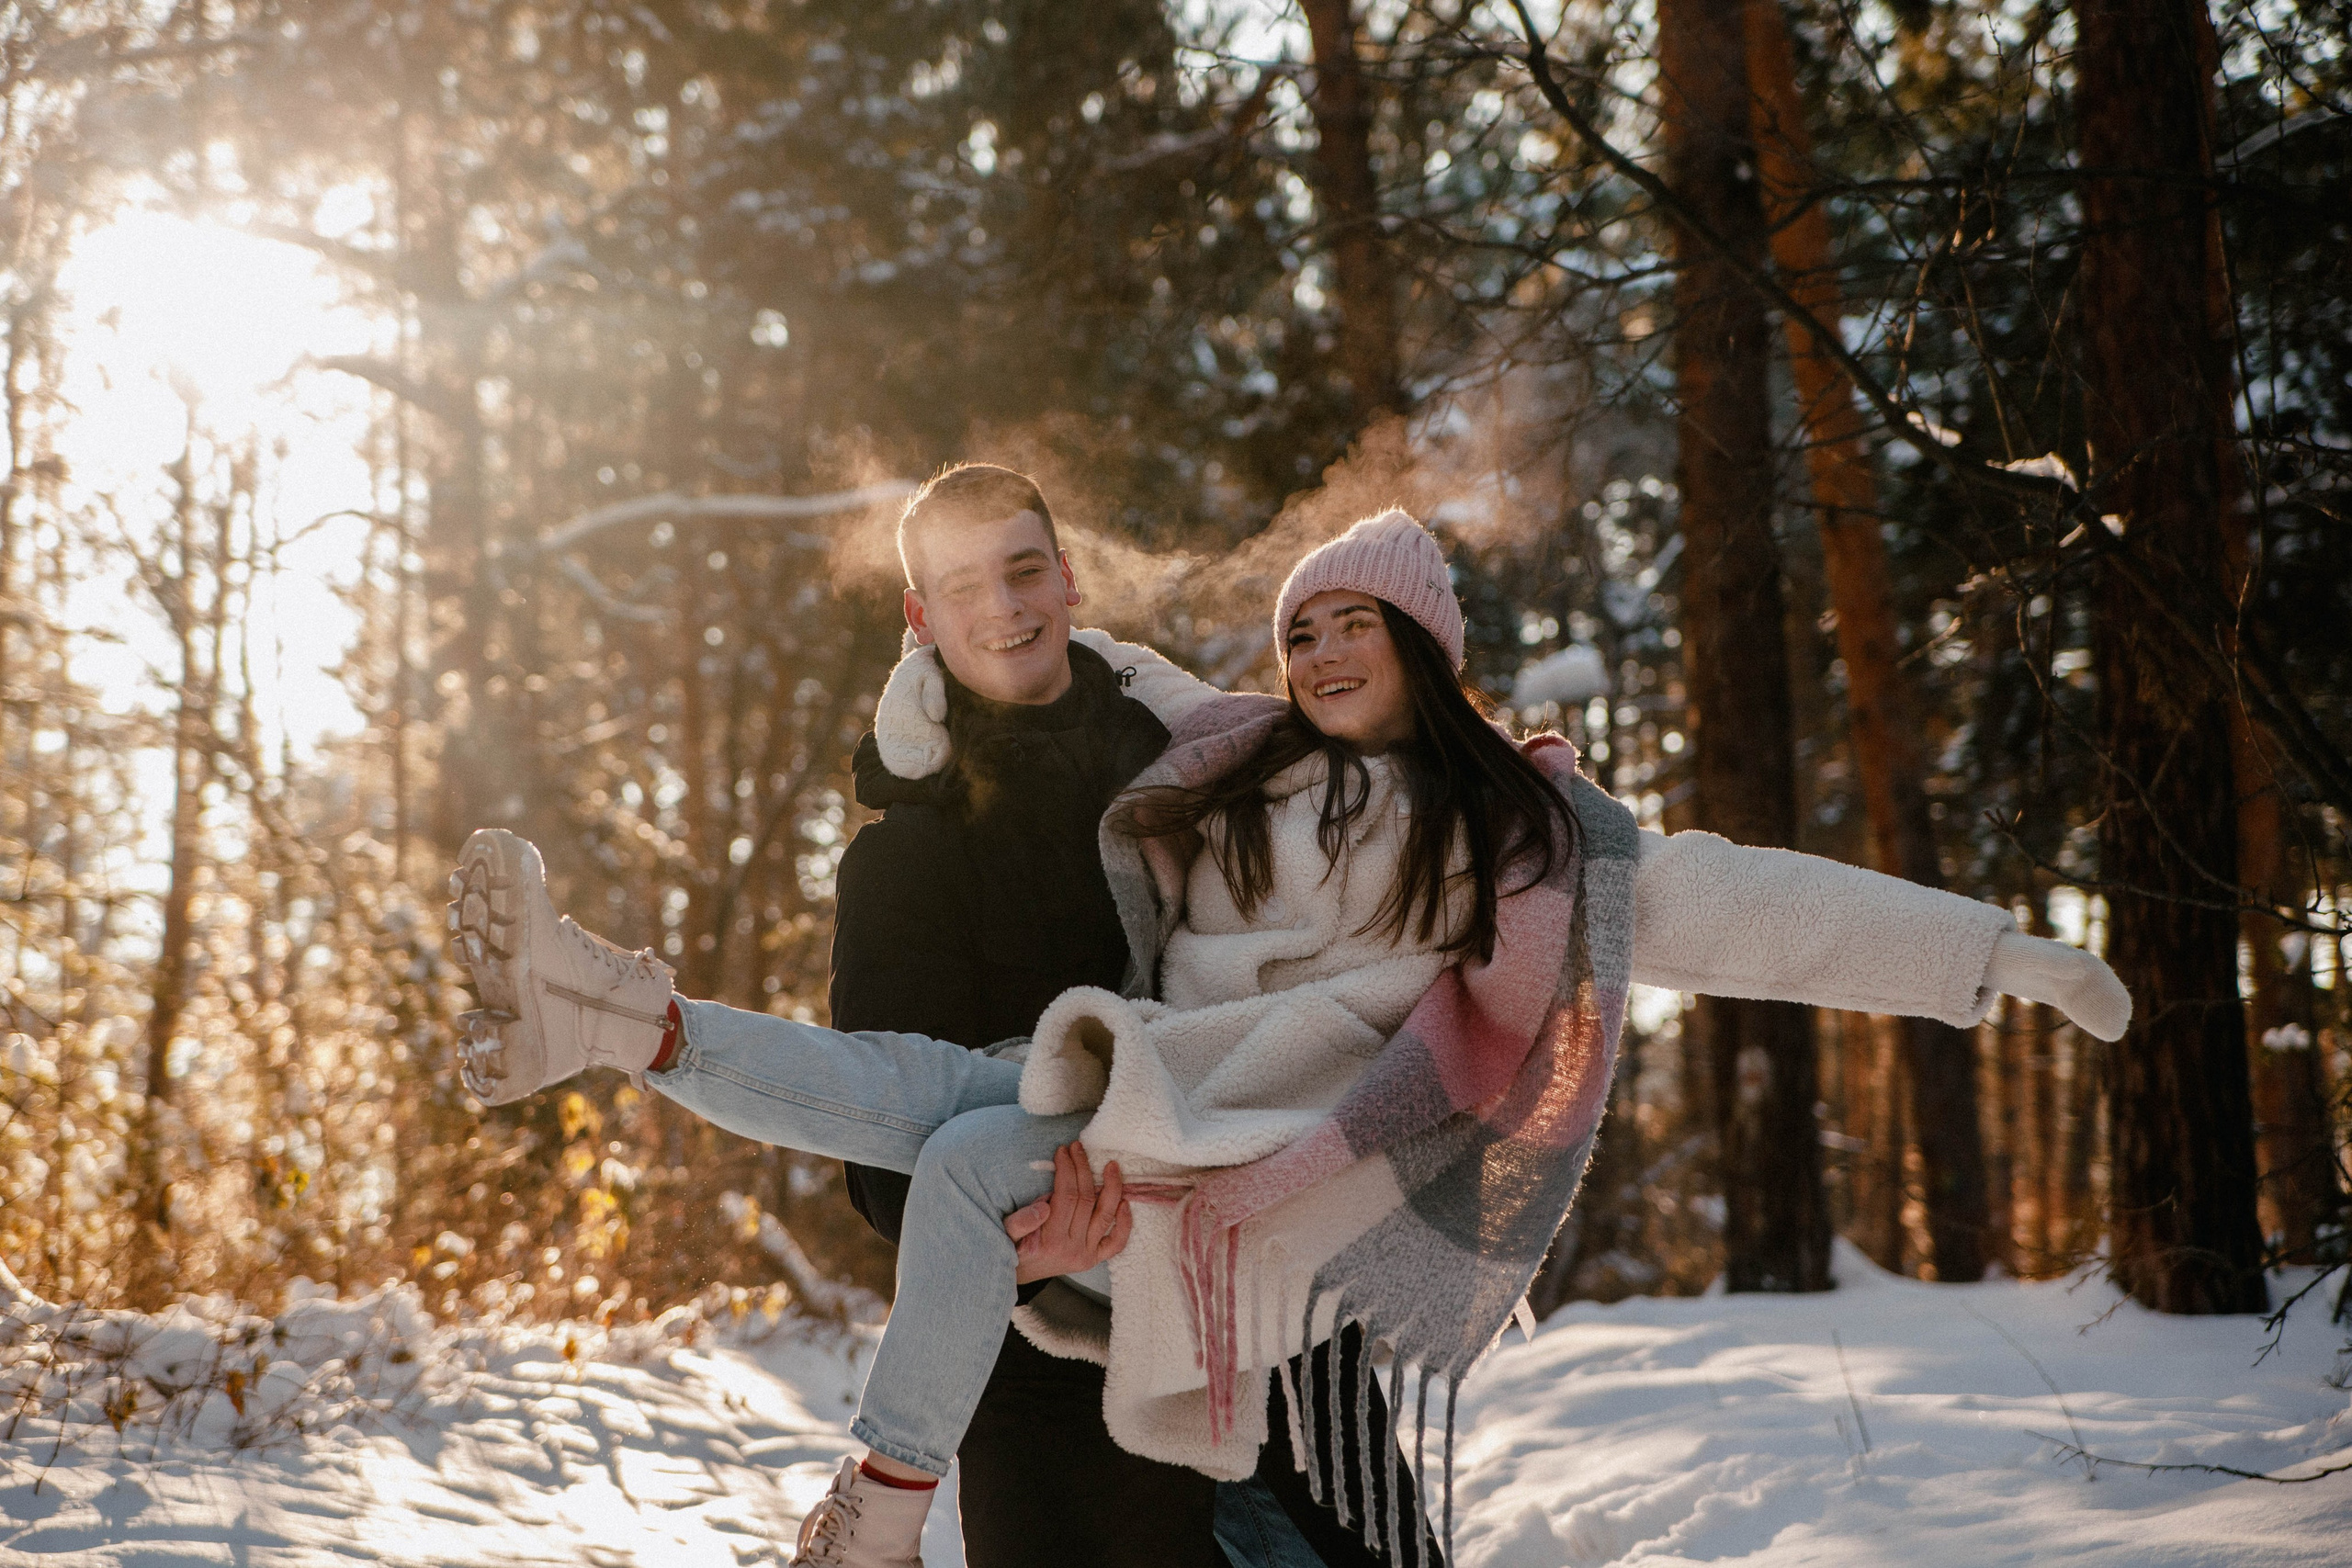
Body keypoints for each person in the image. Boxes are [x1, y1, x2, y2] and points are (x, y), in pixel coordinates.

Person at [447, 503, 2132, 1568]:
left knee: (964, 1143)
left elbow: (1756, 906)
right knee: (932, 1101)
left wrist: (1996, 956)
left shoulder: (1532, 843)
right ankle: (619, 1013)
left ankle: (873, 1505)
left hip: (1280, 1171)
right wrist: (915, 701)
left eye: (1356, 622)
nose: (1319, 646)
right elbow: (1099, 668)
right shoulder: (1244, 758)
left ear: (1426, 646)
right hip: (1150, 1128)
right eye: (1301, 627)